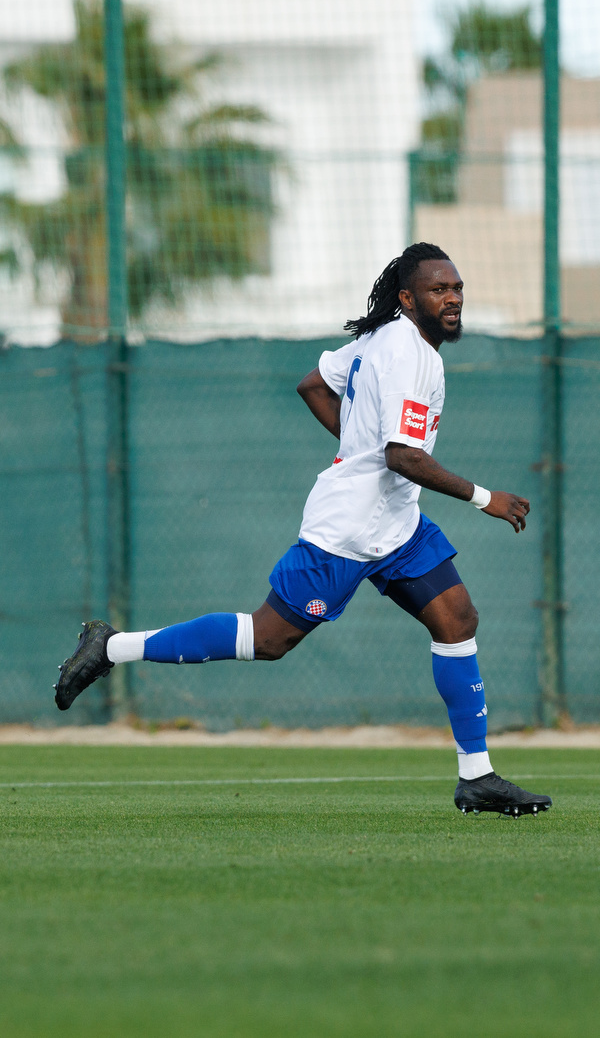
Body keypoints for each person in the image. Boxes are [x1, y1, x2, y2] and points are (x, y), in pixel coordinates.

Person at [55, 243, 551, 818]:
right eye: (439, 290)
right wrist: (486, 498)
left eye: (458, 288)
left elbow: (314, 385)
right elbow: (402, 457)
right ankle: (112, 646)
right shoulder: (412, 356)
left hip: (395, 526)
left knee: (457, 618)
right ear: (408, 298)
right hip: (346, 530)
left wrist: (356, 449)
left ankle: (477, 777)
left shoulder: (383, 340)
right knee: (268, 641)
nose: (453, 298)